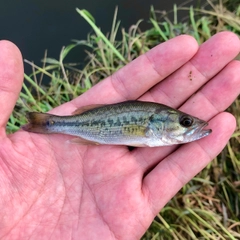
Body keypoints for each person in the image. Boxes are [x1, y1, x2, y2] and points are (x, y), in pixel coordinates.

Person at [0, 31, 239, 239]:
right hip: (87, 126)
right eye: (185, 122)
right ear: (158, 122)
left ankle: (50, 124)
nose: (188, 126)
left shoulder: (152, 128)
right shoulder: (148, 128)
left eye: (186, 122)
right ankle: (49, 124)